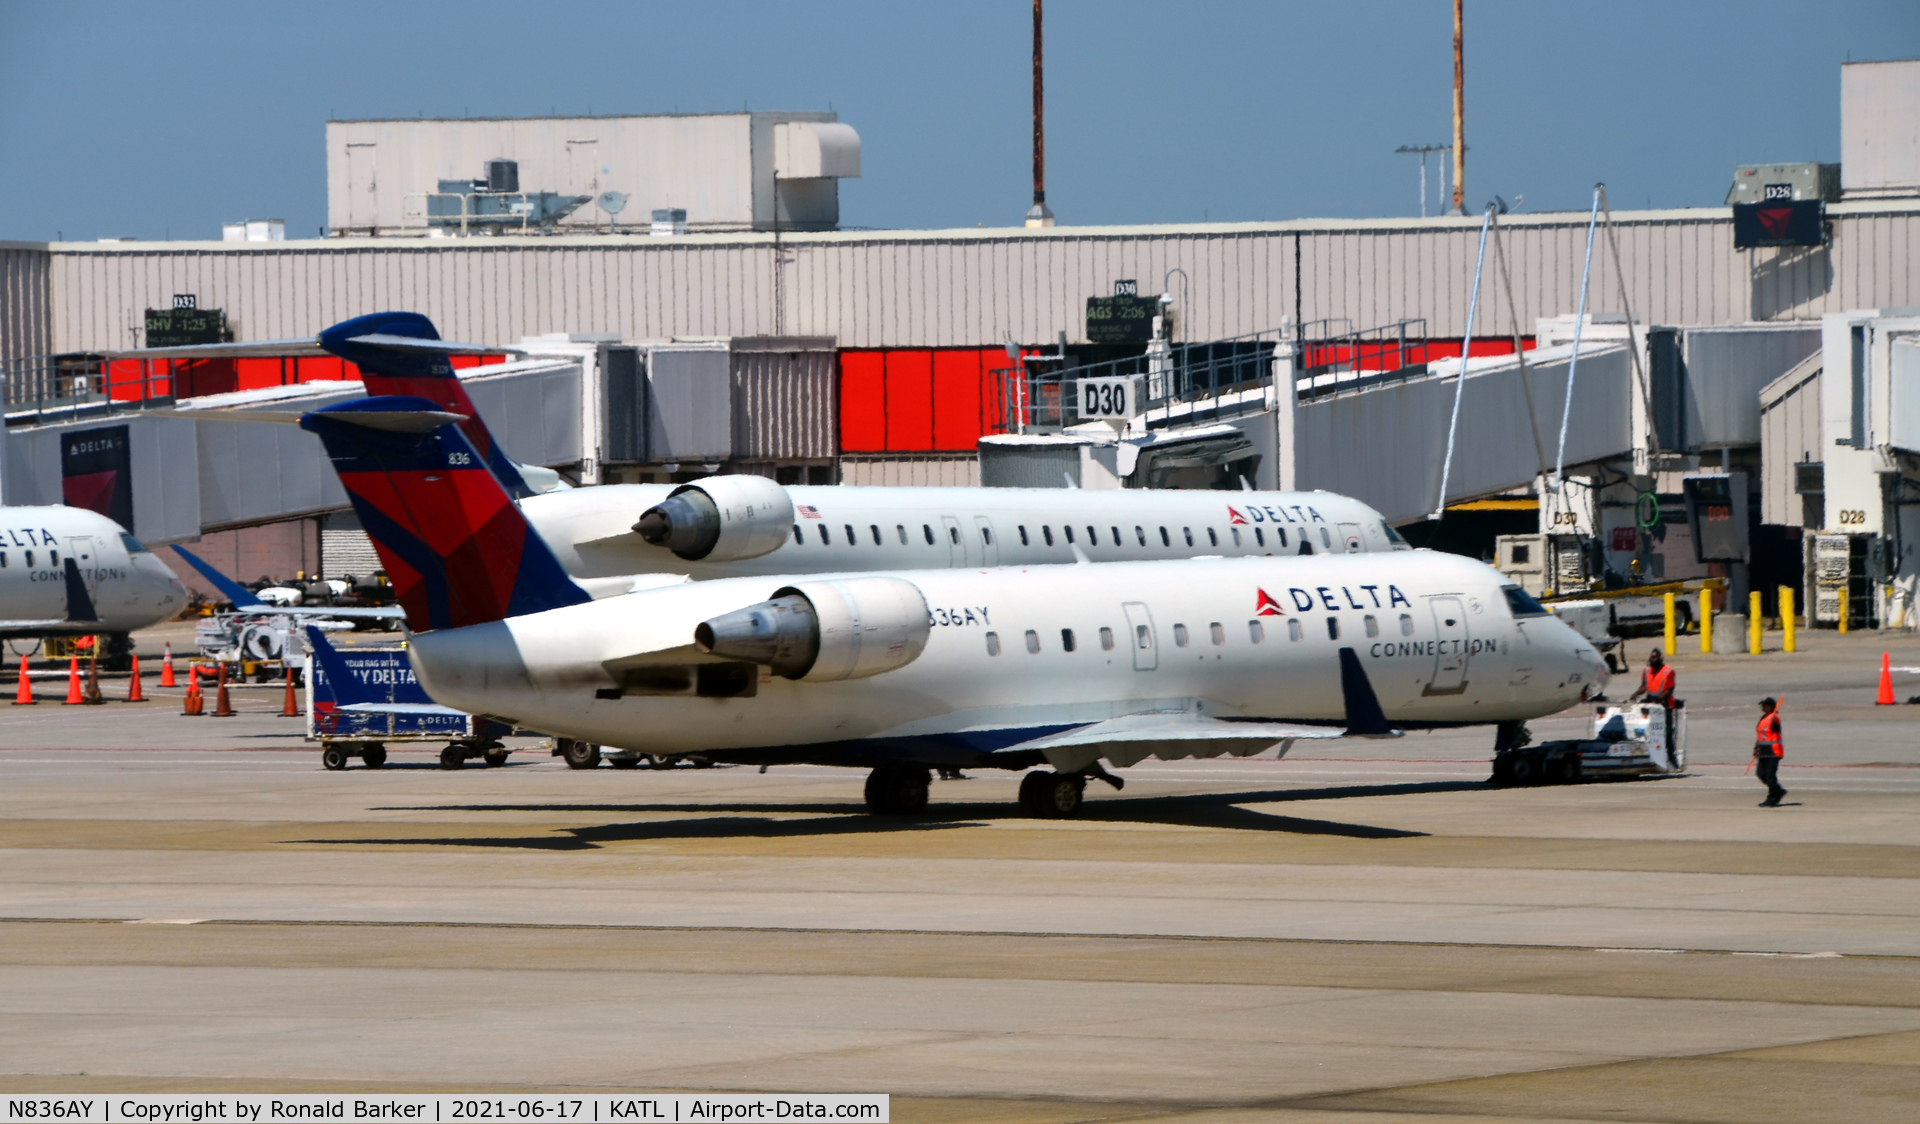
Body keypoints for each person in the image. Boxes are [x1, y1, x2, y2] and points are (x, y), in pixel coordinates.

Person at [1754, 697, 1787, 807]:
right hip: (1763, 751)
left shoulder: (1775, 718)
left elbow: (1776, 729)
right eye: (1762, 705)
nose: (1763, 707)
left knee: (1770, 776)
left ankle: (1773, 797)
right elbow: (1761, 735)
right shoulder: (1763, 718)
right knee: (1760, 774)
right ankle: (1778, 790)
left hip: (1773, 751)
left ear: (1771, 707)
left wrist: (1774, 723)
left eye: (1765, 705)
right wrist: (1756, 747)